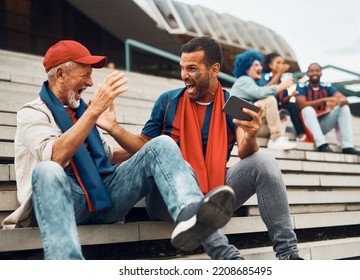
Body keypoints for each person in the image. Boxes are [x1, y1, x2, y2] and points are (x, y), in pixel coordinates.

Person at [2, 40, 236, 259]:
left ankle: (195, 221)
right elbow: (55, 156)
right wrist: (93, 114)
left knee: (162, 144)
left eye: (91, 76)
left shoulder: (234, 101)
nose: (91, 83)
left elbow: (107, 156)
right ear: (60, 74)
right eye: (85, 75)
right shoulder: (32, 112)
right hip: (67, 197)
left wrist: (125, 134)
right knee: (46, 171)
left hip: (106, 195)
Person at [99, 37, 303, 260]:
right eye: (182, 68)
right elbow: (145, 147)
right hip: (166, 198)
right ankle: (227, 256)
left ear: (214, 69)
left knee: (265, 161)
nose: (184, 75)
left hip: (216, 191)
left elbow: (245, 151)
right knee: (181, 164)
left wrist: (253, 134)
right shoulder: (167, 101)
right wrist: (114, 128)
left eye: (192, 68)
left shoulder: (233, 103)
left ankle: (289, 256)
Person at [230, 50, 297, 150]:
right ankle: (275, 139)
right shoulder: (244, 79)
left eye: (260, 65)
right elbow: (260, 93)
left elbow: (260, 92)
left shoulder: (253, 83)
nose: (260, 68)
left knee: (283, 115)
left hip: (250, 126)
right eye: (256, 65)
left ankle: (276, 140)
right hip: (239, 126)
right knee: (269, 100)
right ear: (246, 67)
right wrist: (282, 86)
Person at [295, 63, 360, 154]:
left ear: (321, 73)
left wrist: (337, 101)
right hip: (307, 125)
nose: (315, 73)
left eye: (317, 70)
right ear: (307, 74)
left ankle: (347, 146)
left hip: (322, 124)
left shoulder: (326, 86)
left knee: (344, 107)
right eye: (312, 71)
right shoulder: (302, 86)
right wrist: (325, 99)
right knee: (307, 109)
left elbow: (344, 99)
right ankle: (322, 144)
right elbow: (301, 105)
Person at [261, 52, 307, 142]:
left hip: (277, 104)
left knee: (292, 105)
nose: (281, 65)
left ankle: (300, 134)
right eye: (278, 63)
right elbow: (264, 90)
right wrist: (279, 73)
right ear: (270, 65)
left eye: (282, 63)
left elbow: (282, 100)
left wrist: (290, 95)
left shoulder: (282, 80)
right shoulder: (264, 76)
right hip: (265, 104)